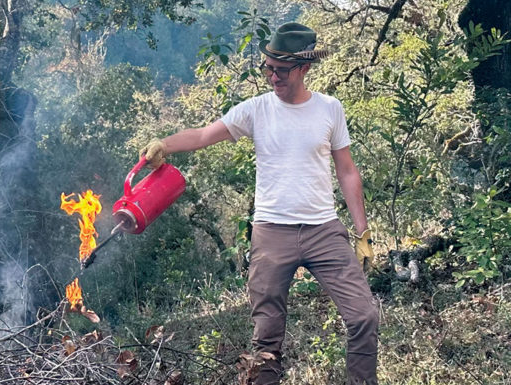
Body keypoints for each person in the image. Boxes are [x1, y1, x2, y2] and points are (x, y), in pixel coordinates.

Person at [139, 22, 379, 385]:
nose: (271, 76)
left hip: (324, 231)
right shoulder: (256, 110)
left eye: (280, 70)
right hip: (271, 234)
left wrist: (362, 232)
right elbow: (204, 135)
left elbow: (347, 171)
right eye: (267, 67)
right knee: (266, 339)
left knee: (364, 317)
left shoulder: (330, 109)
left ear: (304, 68)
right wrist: (164, 144)